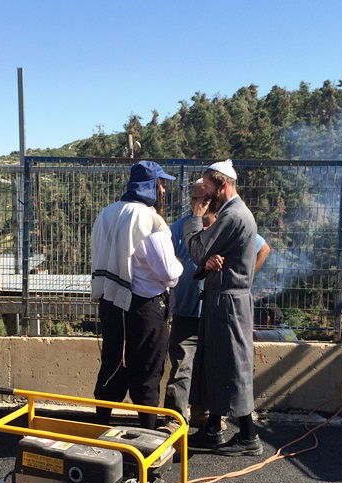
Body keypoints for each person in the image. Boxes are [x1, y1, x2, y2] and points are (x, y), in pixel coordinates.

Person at [158, 178, 270, 435]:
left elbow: (262, 247)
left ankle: (205, 416)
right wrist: (200, 264)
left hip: (217, 311)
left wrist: (243, 278)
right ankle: (175, 419)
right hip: (187, 308)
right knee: (182, 365)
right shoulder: (181, 227)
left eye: (205, 199)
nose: (200, 204)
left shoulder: (227, 224)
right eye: (196, 199)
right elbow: (170, 259)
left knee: (212, 367)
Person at [91, 160, 183, 429]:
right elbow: (169, 273)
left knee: (112, 365)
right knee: (146, 372)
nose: (164, 190)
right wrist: (179, 265)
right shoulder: (151, 220)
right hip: (145, 308)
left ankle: (100, 429)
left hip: (111, 303)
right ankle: (148, 441)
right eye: (161, 184)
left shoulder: (106, 213)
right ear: (151, 187)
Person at [184, 160, 262, 455]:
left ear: (222, 185)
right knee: (217, 362)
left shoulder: (232, 215)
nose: (204, 194)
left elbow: (197, 250)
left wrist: (196, 217)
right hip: (225, 299)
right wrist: (209, 260)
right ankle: (214, 428)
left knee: (232, 364)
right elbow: (209, 255)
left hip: (229, 302)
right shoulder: (233, 213)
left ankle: (249, 436)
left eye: (207, 187)